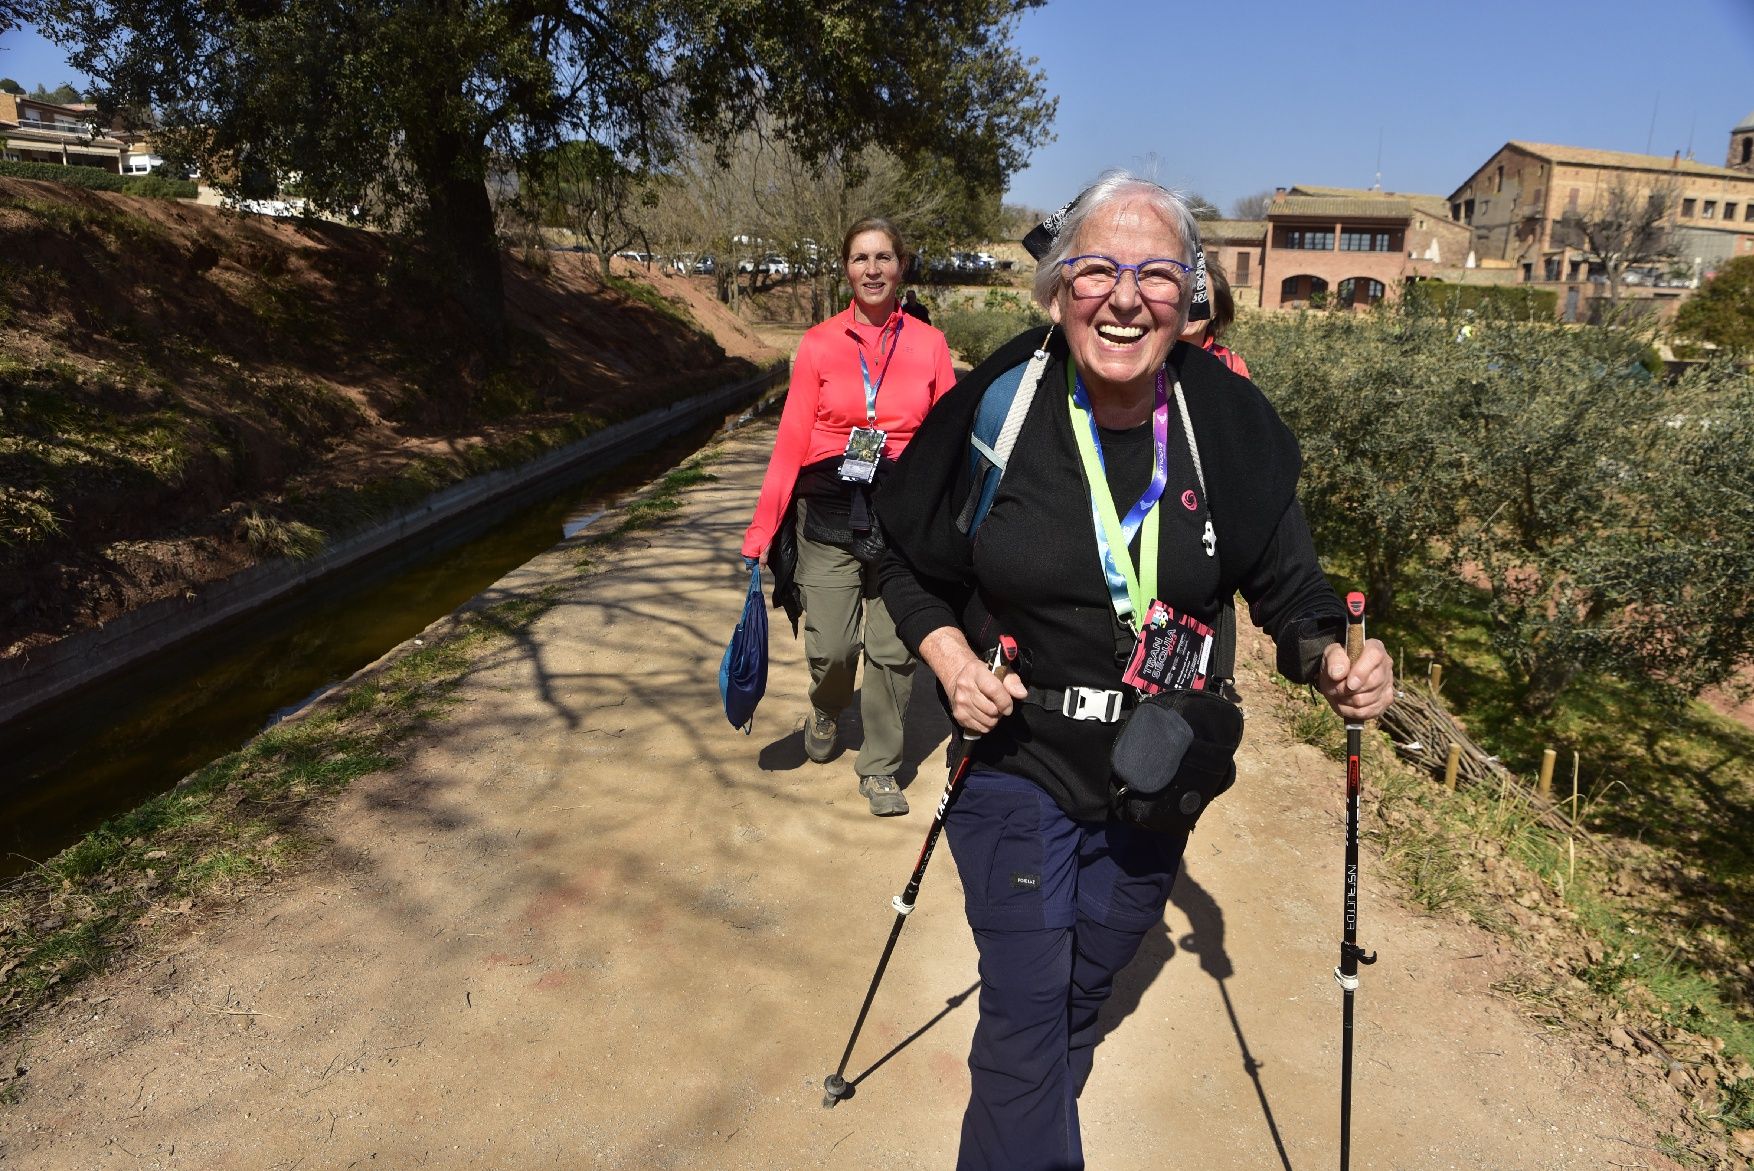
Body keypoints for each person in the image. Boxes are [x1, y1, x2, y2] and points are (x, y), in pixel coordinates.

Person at [874, 172, 1395, 1168]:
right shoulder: (999, 403)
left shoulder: (1224, 421)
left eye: (1155, 273)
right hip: (1016, 757)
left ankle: (1025, 1112)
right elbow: (903, 556)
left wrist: (1331, 657)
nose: (1124, 297)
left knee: (1078, 995)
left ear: (1190, 292)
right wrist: (945, 654)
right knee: (1025, 1017)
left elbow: (1290, 591)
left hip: (1158, 772)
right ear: (1058, 284)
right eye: (1098, 269)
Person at [742, 217, 958, 816]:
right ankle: (827, 703)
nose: (873, 269)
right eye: (861, 258)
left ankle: (881, 765)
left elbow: (949, 440)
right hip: (830, 508)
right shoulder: (817, 344)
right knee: (833, 644)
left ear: (901, 266)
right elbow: (790, 440)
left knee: (893, 649)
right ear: (846, 268)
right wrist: (764, 525)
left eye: (884, 257)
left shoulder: (929, 344)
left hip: (902, 515)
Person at [1179, 254, 1250, 376]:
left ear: (1215, 311)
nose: (1192, 306)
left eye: (1201, 298)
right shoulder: (1150, 357)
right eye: (1184, 297)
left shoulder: (1232, 367)